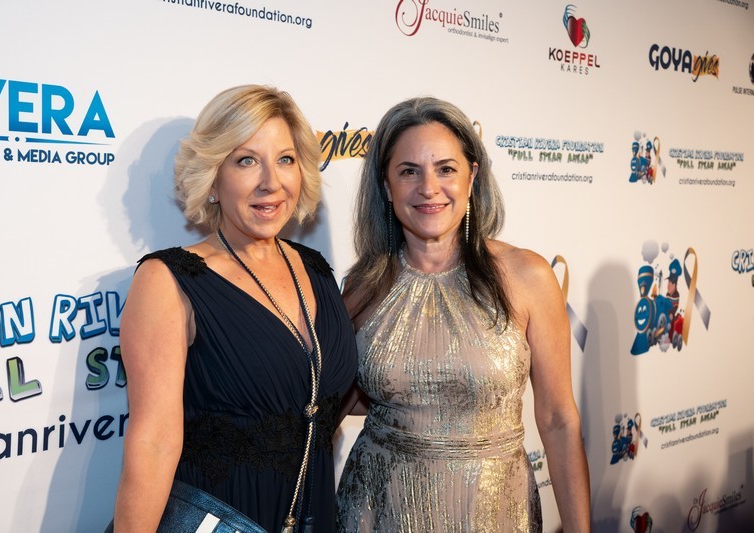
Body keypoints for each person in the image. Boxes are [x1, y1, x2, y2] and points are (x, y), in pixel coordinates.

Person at [336, 97, 590, 532]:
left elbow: (558, 420)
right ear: (386, 185)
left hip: (493, 513)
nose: (429, 188)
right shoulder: (362, 287)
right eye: (409, 171)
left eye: (445, 169)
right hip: (377, 512)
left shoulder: (527, 276)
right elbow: (340, 401)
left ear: (472, 177)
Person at [110, 85, 357, 532]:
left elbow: (322, 399)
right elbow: (153, 444)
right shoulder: (170, 280)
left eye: (285, 159)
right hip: (219, 518)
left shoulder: (316, 269)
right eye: (246, 161)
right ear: (213, 179)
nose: (271, 182)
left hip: (315, 512)